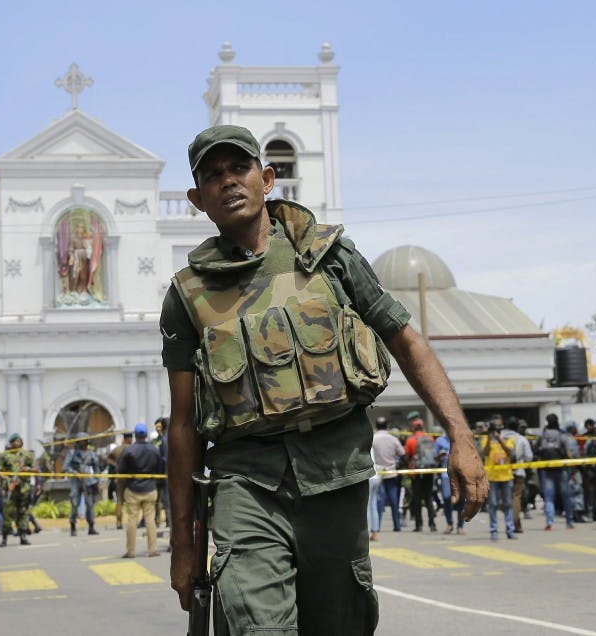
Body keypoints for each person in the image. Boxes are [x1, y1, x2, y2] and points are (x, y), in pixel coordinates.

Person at [163, 125, 488, 634]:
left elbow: (405, 340)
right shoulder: (186, 295)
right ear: (197, 199)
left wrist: (461, 438)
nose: (228, 182)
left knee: (340, 624)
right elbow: (182, 426)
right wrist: (183, 543)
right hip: (245, 484)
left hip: (335, 477)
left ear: (266, 178)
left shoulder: (328, 256)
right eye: (213, 175)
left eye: (239, 168)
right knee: (258, 626)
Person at [119, 423, 163, 558]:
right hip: (150, 488)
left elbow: (121, 470)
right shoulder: (154, 449)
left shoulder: (129, 450)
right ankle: (153, 550)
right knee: (150, 520)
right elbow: (159, 468)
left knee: (132, 520)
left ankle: (131, 551)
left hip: (133, 489)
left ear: (135, 435)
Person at [534, 414, 574, 530]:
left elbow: (535, 448)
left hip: (546, 469)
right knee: (566, 496)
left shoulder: (542, 435)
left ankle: (549, 523)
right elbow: (568, 453)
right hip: (562, 469)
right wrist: (574, 466)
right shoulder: (562, 435)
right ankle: (569, 522)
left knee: (549, 497)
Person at [404, 413, 438, 532]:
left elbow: (407, 456)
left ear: (413, 428)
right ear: (423, 427)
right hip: (429, 471)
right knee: (429, 498)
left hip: (416, 472)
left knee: (417, 498)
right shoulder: (430, 438)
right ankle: (432, 524)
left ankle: (418, 525)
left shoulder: (411, 440)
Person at [482, 420, 516, 540]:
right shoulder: (487, 439)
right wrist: (489, 437)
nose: (496, 430)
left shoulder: (508, 438)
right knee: (493, 504)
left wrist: (500, 440)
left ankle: (510, 530)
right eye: (494, 428)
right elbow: (485, 453)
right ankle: (493, 530)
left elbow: (510, 452)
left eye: (498, 428)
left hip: (506, 475)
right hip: (492, 477)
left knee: (507, 504)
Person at [0, 433, 35, 546]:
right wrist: (8, 479)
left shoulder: (27, 455)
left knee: (23, 512)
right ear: (11, 443)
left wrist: (26, 469)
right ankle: (4, 537)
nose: (17, 443)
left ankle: (23, 536)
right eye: (15, 441)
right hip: (11, 489)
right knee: (7, 513)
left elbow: (35, 469)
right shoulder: (5, 455)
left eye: (19, 441)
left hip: (24, 488)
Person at [372, 417, 405, 534]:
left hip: (377, 473)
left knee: (379, 500)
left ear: (376, 426)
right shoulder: (393, 439)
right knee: (393, 500)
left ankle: (377, 527)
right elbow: (402, 453)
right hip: (391, 472)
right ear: (387, 426)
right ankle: (397, 525)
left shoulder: (373, 439)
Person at [64, 432, 101, 536]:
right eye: (80, 440)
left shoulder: (91, 454)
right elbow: (65, 467)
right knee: (75, 504)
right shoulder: (72, 453)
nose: (82, 442)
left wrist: (98, 482)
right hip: (76, 482)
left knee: (90, 505)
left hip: (89, 482)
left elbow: (97, 469)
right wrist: (75, 473)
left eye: (84, 440)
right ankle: (73, 526)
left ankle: (91, 526)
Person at [500, 416, 532, 533]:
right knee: (516, 498)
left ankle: (515, 524)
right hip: (518, 472)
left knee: (505, 499)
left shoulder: (500, 438)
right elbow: (529, 457)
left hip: (501, 472)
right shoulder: (521, 439)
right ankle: (514, 523)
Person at [434, 430, 464, 534]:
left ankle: (460, 526)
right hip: (445, 475)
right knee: (447, 499)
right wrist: (440, 456)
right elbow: (435, 459)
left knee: (461, 501)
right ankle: (449, 524)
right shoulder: (440, 440)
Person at [107, 431, 134, 529]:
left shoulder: (117, 449)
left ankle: (119, 522)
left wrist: (116, 465)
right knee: (132, 500)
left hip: (120, 477)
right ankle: (132, 521)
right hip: (131, 478)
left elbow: (108, 458)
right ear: (130, 438)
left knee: (119, 500)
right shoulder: (133, 449)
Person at [153, 417, 172, 528]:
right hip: (174, 473)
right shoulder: (176, 437)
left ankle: (169, 521)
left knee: (166, 498)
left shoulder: (164, 440)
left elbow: (163, 459)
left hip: (165, 473)